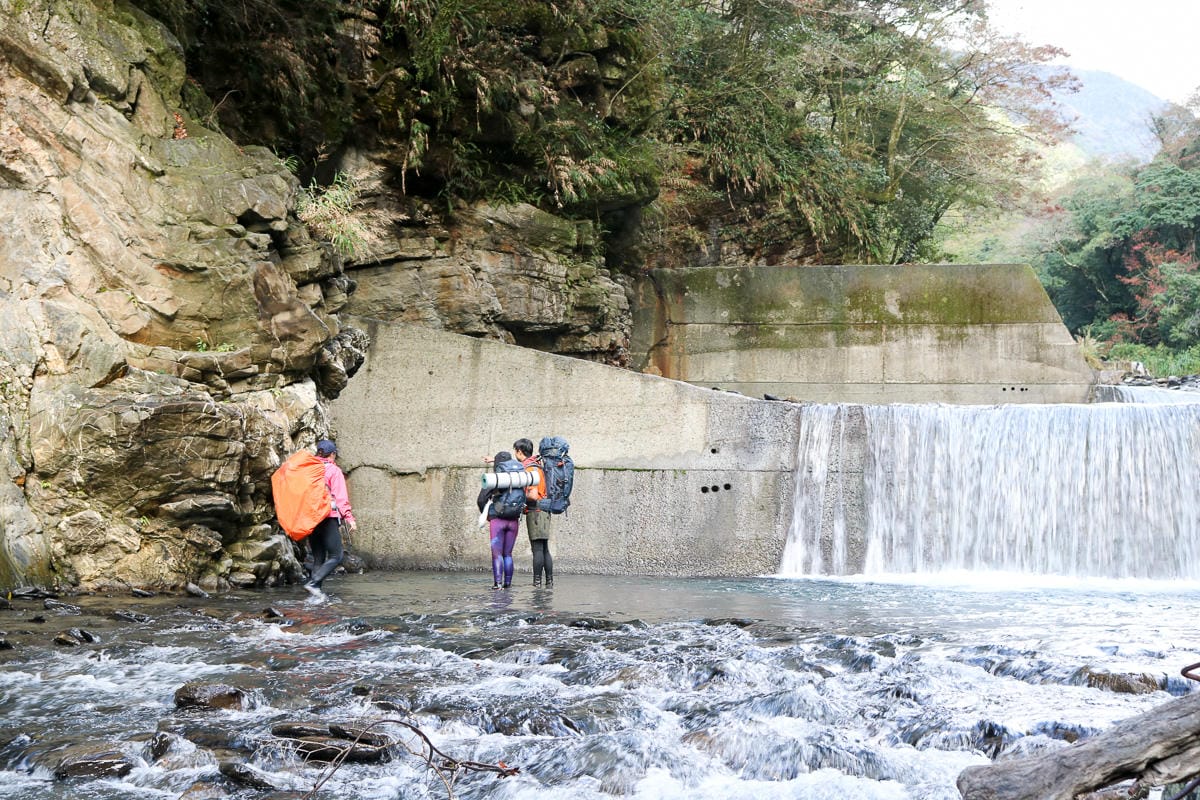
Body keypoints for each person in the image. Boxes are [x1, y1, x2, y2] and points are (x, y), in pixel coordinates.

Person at [305, 439, 357, 599]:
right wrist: (349, 517)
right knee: (336, 556)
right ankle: (313, 584)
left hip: (312, 518)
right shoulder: (334, 471)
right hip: (328, 517)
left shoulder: (309, 470)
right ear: (332, 454)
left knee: (318, 557)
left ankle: (314, 596)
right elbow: (340, 497)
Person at [477, 450, 522, 589]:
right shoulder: (519, 477)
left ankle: (498, 584)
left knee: (497, 554)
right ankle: (508, 584)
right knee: (508, 554)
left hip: (498, 520)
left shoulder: (495, 478)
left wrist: (487, 514)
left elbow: (481, 499)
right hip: (514, 520)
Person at [514, 438, 553, 587]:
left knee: (537, 548)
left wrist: (520, 497)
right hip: (545, 509)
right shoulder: (538, 466)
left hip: (535, 511)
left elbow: (533, 495)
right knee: (544, 548)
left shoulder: (530, 469)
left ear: (519, 451)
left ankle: (537, 583)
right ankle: (549, 582)